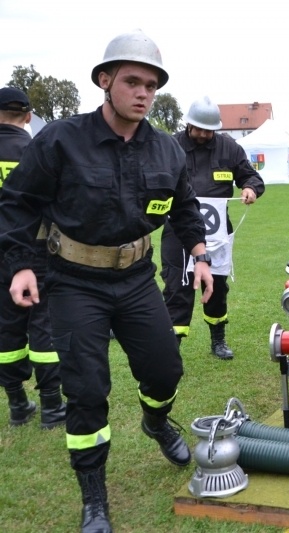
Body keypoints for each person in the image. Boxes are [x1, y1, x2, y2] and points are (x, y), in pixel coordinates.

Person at [0, 30, 214, 532]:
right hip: (74, 282)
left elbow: (184, 208)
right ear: (104, 80)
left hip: (137, 279)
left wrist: (200, 255)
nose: (143, 93)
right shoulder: (60, 140)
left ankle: (155, 421)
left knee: (165, 370)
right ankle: (93, 495)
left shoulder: (166, 151)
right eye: (132, 82)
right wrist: (22, 265)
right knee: (86, 389)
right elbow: (17, 202)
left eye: (152, 86)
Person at [160, 96, 264, 360]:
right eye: (200, 129)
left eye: (210, 130)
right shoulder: (170, 146)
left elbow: (251, 176)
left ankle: (218, 339)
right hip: (177, 230)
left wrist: (250, 188)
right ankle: (172, 347)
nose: (205, 135)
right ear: (189, 124)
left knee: (216, 286)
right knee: (177, 287)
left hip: (217, 233)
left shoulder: (229, 148)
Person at [0, 86, 67, 429]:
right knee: (44, 324)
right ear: (28, 116)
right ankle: (52, 406)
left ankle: (16, 403)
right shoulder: (35, 151)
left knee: (5, 328)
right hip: (35, 250)